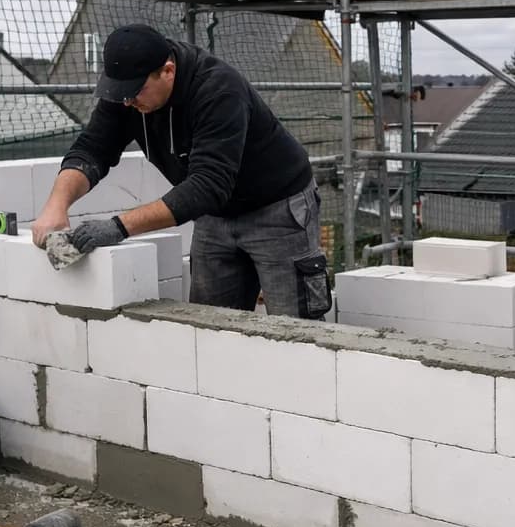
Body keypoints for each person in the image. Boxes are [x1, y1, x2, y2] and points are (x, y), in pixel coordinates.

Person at [32, 24, 331, 319]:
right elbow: (93, 148)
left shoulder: (218, 89)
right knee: (208, 325)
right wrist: (55, 207)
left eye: (135, 92)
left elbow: (207, 186)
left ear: (168, 71)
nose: (128, 101)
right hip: (217, 215)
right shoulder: (127, 96)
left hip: (277, 210)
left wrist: (118, 226)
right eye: (121, 93)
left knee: (295, 330)